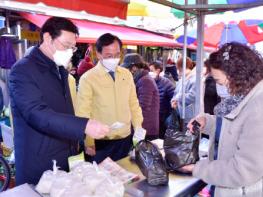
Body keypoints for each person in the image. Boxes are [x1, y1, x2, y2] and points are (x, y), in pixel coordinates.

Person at [9, 17, 110, 186]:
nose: (70, 51)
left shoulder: (58, 68)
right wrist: (83, 126)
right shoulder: (22, 70)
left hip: (63, 157)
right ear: (48, 38)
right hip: (39, 162)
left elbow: (65, 110)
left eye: (73, 47)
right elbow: (37, 114)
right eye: (66, 45)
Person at [184, 42, 263, 197]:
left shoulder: (259, 106)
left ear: (236, 76)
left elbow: (243, 170)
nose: (219, 86)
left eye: (218, 81)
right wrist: (209, 122)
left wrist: (197, 168)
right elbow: (237, 128)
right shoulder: (244, 96)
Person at [76, 33, 143, 163]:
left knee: (126, 177)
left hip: (125, 138)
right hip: (100, 142)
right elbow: (82, 112)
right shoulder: (88, 78)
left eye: (117, 55)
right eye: (109, 56)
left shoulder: (126, 74)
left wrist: (138, 129)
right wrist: (88, 140)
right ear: (99, 54)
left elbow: (133, 104)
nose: (114, 59)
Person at [121, 53, 159, 140]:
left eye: (127, 68)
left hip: (146, 128)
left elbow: (143, 106)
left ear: (134, 68)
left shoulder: (145, 81)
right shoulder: (141, 79)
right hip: (143, 127)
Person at [149, 60, 175, 138]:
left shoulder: (166, 83)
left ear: (158, 71)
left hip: (162, 118)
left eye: (151, 71)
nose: (149, 73)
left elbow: (173, 98)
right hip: (150, 117)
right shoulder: (147, 81)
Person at [171, 56, 196, 129]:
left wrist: (177, 98)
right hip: (181, 114)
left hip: (191, 115)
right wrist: (173, 101)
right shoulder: (182, 79)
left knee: (189, 137)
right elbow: (175, 93)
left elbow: (192, 96)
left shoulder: (195, 79)